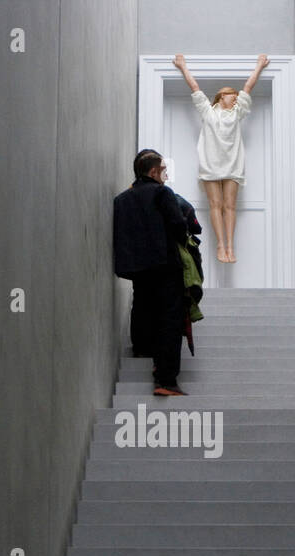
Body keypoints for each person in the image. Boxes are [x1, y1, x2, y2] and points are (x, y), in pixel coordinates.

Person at [173, 53, 269, 263]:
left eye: (235, 95)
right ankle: (220, 245)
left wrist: (259, 66)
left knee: (230, 206)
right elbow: (195, 88)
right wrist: (183, 66)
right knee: (215, 205)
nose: (235, 96)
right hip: (211, 165)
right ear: (221, 96)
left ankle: (230, 247)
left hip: (233, 165)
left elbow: (248, 87)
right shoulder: (208, 112)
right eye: (230, 94)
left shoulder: (237, 113)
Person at [113, 149, 190, 396]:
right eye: (164, 170)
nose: (166, 175)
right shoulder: (162, 193)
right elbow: (178, 225)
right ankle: (165, 380)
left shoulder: (122, 199)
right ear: (154, 171)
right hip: (165, 264)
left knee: (142, 306)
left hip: (137, 267)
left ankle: (141, 350)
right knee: (170, 318)